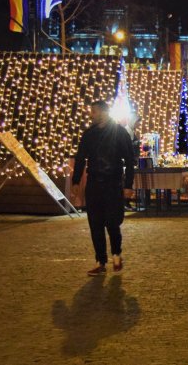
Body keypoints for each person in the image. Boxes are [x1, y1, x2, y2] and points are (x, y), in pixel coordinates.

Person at [72, 100, 135, 276]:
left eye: (93, 112)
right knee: (95, 224)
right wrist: (76, 181)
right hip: (94, 184)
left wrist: (128, 185)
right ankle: (101, 261)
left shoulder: (120, 133)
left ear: (103, 112)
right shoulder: (89, 135)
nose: (91, 115)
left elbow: (130, 161)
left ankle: (116, 254)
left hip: (112, 183)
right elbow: (80, 158)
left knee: (112, 222)